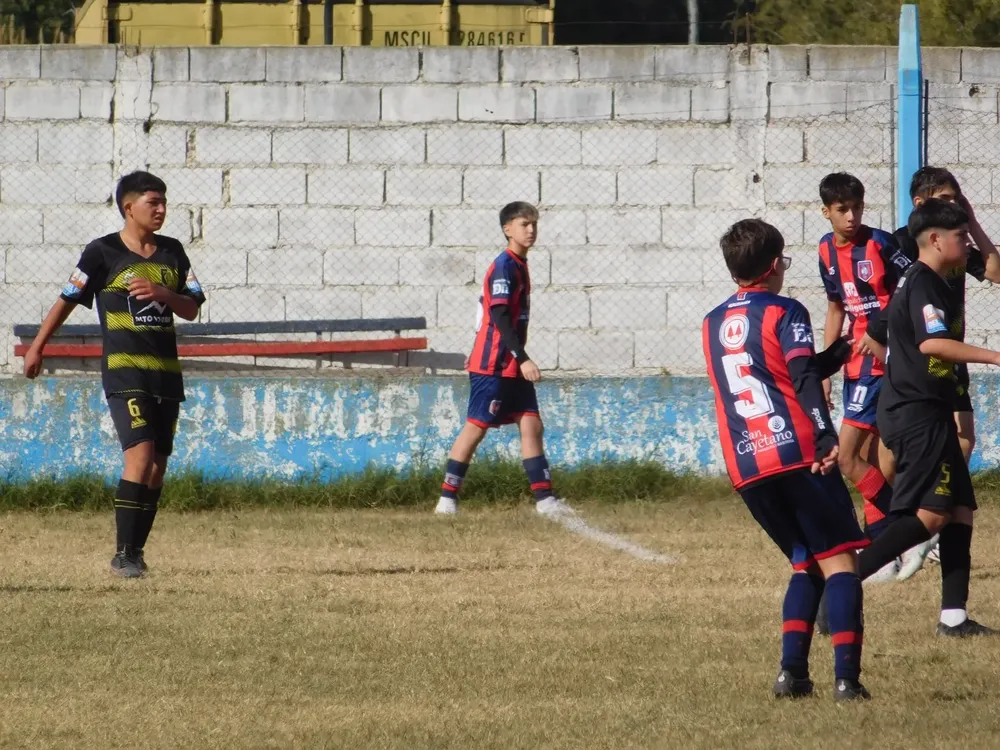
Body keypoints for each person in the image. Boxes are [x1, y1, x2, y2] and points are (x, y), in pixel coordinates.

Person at [703, 218, 869, 701]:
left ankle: (792, 675)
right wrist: (823, 435)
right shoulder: (784, 309)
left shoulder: (712, 321)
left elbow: (773, 368)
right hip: (796, 452)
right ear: (775, 266)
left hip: (747, 465)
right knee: (841, 563)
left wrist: (837, 353)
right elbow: (798, 377)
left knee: (805, 562)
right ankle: (847, 681)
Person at [23, 171, 206, 578]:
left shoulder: (173, 253)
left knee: (157, 467)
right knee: (139, 457)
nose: (161, 210)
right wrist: (38, 346)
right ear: (129, 207)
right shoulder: (102, 252)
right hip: (125, 373)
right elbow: (67, 300)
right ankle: (122, 555)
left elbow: (192, 307)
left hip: (166, 375)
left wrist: (164, 294)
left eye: (163, 203)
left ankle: (136, 553)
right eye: (152, 203)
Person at [857, 199, 997, 637]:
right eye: (960, 236)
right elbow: (933, 346)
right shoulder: (923, 284)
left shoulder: (932, 279)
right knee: (932, 515)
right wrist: (995, 356)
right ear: (935, 240)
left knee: (959, 511)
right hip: (915, 414)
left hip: (928, 409)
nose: (966, 242)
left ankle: (953, 618)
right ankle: (838, 581)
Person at [880, 167, 1000, 580]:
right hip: (915, 394)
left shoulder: (948, 257)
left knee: (960, 502)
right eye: (949, 201)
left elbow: (996, 270)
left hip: (940, 383)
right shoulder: (919, 271)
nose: (965, 241)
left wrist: (969, 219)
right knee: (924, 506)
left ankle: (954, 615)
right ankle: (851, 570)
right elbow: (920, 337)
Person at [435, 202, 567, 517]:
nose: (531, 230)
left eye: (534, 224)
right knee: (476, 428)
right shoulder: (504, 265)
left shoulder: (520, 264)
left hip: (512, 365)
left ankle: (546, 502)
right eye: (524, 224)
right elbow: (499, 314)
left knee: (532, 425)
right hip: (492, 365)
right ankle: (446, 500)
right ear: (508, 229)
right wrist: (522, 358)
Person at [816, 173, 910, 578]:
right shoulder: (824, 250)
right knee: (871, 460)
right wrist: (824, 367)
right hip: (854, 363)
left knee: (849, 457)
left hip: (882, 362)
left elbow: (914, 284)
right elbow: (836, 307)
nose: (852, 216)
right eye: (842, 210)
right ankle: (884, 549)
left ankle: (902, 533)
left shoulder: (882, 243)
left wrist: (885, 335)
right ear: (827, 212)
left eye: (857, 207)